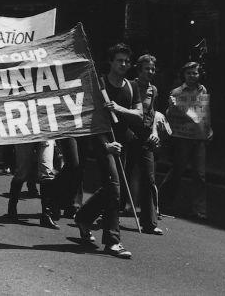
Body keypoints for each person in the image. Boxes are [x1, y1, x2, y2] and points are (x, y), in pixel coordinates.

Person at [73, 43, 139, 259]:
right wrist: (106, 146)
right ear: (111, 62)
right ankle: (113, 241)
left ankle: (83, 217)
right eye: (119, 60)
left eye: (127, 61)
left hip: (123, 143)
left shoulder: (132, 86)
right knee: (114, 187)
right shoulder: (99, 84)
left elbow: (139, 114)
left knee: (112, 188)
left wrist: (118, 109)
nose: (123, 64)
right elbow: (91, 120)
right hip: (104, 142)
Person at [161, 61, 211, 220]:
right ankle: (161, 202)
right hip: (182, 137)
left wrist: (209, 128)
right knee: (177, 171)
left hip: (199, 137)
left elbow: (205, 111)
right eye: (189, 73)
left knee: (200, 175)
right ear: (184, 74)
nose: (192, 76)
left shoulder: (203, 90)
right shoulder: (176, 92)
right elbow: (169, 115)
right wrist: (173, 108)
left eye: (195, 73)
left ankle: (199, 210)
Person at [125, 53, 163, 234]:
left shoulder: (153, 90)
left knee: (149, 177)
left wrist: (155, 132)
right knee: (123, 174)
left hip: (146, 136)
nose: (150, 72)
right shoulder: (129, 86)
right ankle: (109, 212)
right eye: (147, 68)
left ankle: (149, 222)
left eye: (153, 69)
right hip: (128, 135)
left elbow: (153, 113)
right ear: (139, 69)